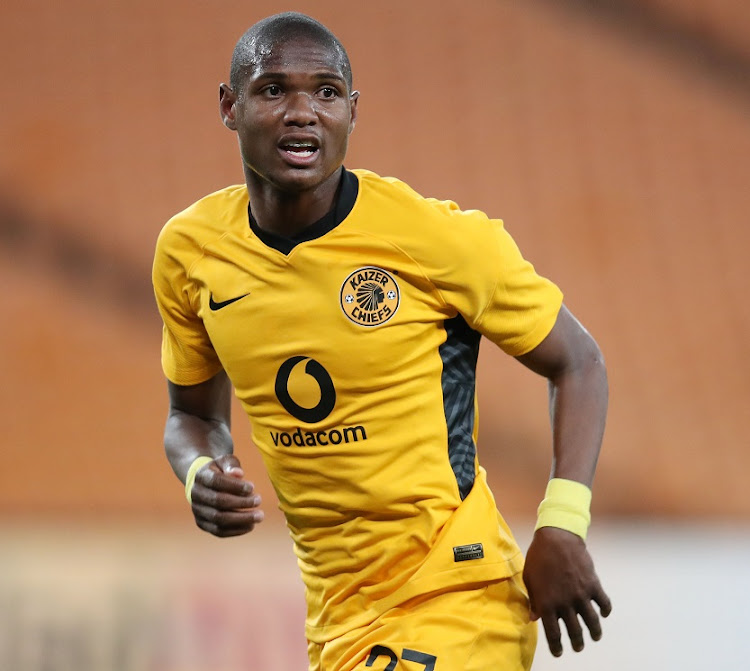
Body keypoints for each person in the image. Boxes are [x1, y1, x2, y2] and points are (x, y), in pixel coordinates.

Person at [152, 11, 611, 671]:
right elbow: (191, 416)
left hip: (458, 592)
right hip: (340, 621)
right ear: (230, 106)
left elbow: (579, 360)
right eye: (274, 89)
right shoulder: (190, 252)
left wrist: (563, 522)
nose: (303, 111)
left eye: (327, 92)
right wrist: (201, 470)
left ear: (352, 110)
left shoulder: (433, 238)